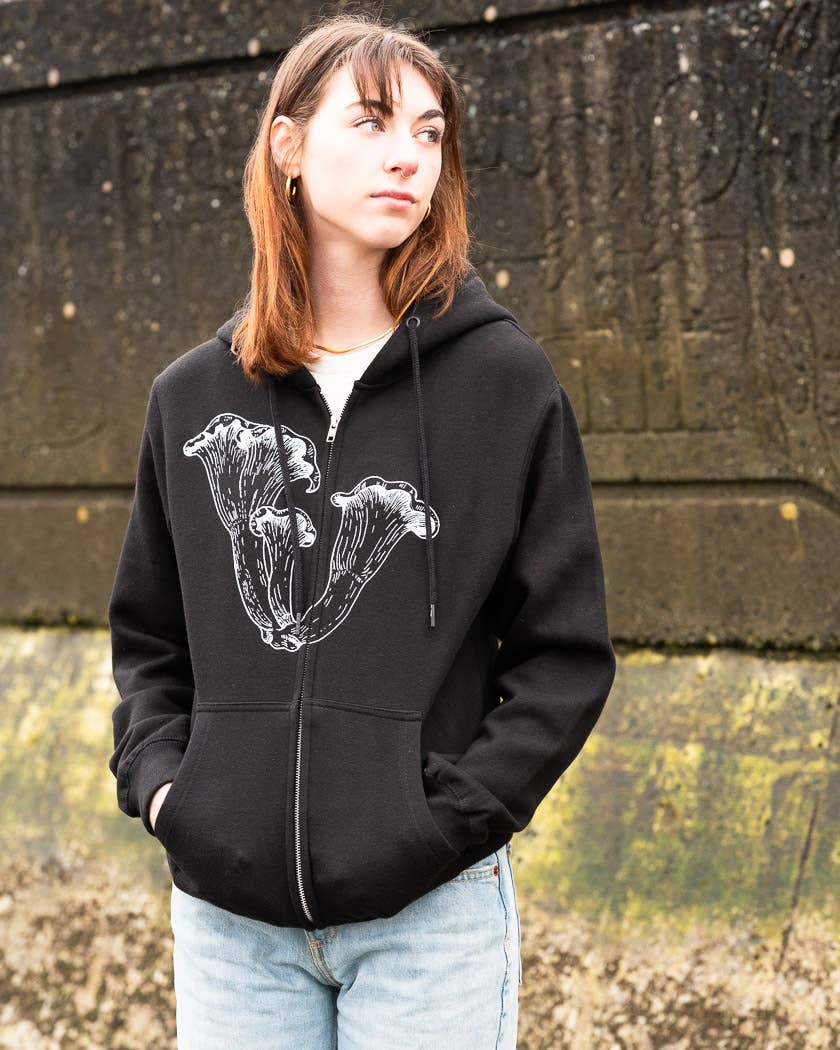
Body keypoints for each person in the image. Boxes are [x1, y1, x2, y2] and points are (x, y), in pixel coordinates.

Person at [107, 10, 616, 1049]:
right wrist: (168, 794)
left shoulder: (506, 383)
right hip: (230, 926)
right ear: (288, 148)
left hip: (429, 919)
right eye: (374, 122)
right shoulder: (191, 397)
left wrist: (446, 823)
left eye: (429, 132)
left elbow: (564, 655)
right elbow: (150, 640)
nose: (409, 156)